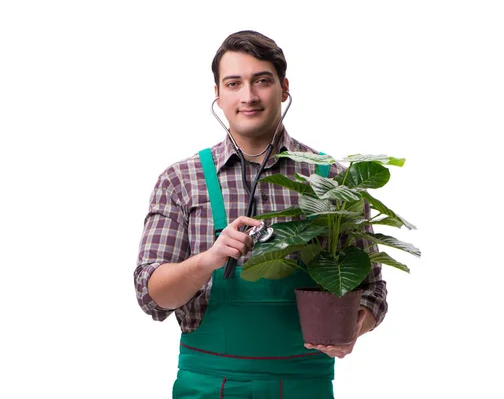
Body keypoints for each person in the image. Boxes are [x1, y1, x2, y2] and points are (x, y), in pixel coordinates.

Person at [134, 30, 387, 398]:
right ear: (218, 96)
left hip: (305, 384)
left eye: (262, 81)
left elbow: (373, 290)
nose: (248, 96)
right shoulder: (180, 181)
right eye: (233, 83)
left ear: (284, 88)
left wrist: (354, 326)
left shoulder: (332, 180)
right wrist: (209, 259)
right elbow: (150, 294)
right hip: (208, 385)